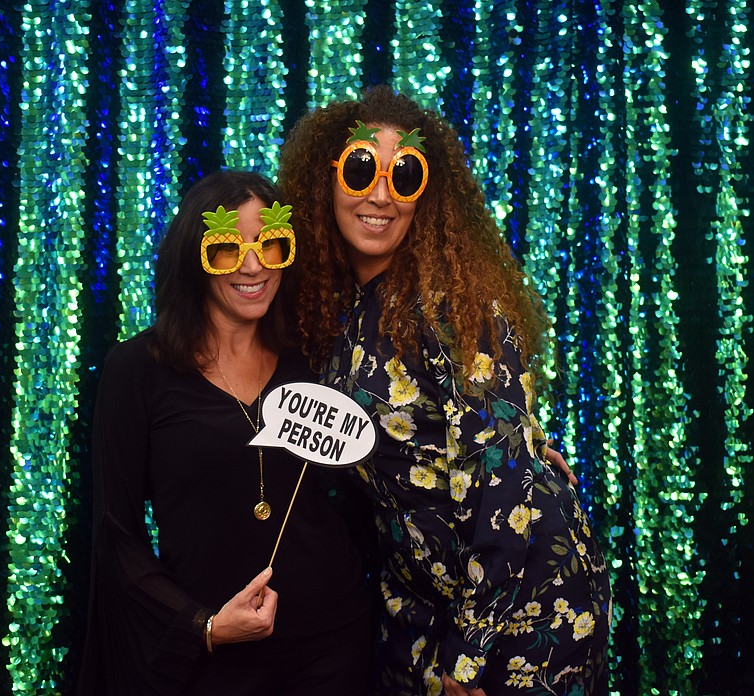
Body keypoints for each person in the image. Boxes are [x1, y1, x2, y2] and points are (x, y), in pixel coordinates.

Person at [277, 85, 611, 695]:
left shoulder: (455, 308)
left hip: (520, 603)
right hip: (420, 601)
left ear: (425, 195)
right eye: (359, 170)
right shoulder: (336, 307)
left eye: (404, 175)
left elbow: (506, 484)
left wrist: (469, 655)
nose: (380, 195)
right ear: (324, 180)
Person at [76, 170, 372, 695]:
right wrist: (202, 627)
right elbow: (116, 535)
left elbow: (389, 452)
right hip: (210, 663)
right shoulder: (136, 370)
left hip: (332, 647)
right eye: (227, 250)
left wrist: (510, 451)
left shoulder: (315, 356)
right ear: (195, 259)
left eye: (270, 246)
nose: (253, 266)